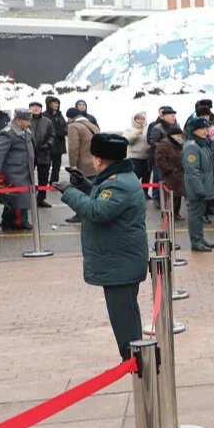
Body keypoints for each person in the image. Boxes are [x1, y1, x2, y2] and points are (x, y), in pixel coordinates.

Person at [53, 134, 147, 360]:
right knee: (127, 315)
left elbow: (98, 211)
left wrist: (70, 192)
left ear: (99, 159)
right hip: (120, 261)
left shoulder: (118, 183)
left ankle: (135, 364)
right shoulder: (119, 177)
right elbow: (103, 200)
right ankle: (137, 359)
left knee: (123, 319)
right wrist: (85, 185)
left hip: (119, 264)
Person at [0, 109, 36, 230]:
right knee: (17, 197)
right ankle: (18, 222)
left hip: (25, 170)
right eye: (27, 121)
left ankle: (12, 221)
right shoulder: (7, 133)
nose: (29, 123)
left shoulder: (25, 131)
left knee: (21, 197)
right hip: (13, 172)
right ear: (18, 120)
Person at [182, 117, 214, 252]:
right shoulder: (192, 147)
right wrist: (199, 189)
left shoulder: (202, 144)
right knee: (195, 215)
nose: (205, 131)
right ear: (194, 130)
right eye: (202, 129)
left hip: (204, 186)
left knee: (199, 215)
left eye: (206, 128)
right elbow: (192, 171)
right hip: (197, 188)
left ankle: (200, 239)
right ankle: (196, 241)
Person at [154, 124, 186, 221]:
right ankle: (169, 214)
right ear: (172, 135)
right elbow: (160, 159)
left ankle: (176, 213)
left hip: (179, 172)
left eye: (181, 136)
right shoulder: (164, 144)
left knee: (178, 194)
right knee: (170, 194)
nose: (180, 138)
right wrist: (167, 169)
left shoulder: (179, 145)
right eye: (178, 136)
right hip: (169, 173)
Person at [28, 102, 55, 208]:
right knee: (28, 177)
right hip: (29, 153)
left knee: (43, 177)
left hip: (44, 153)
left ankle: (41, 199)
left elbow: (52, 135)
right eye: (33, 107)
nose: (35, 109)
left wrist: (48, 144)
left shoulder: (47, 121)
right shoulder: (25, 120)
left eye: (37, 107)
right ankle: (28, 199)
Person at [43, 96, 66, 187]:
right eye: (54, 103)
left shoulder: (59, 114)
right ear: (49, 104)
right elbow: (46, 128)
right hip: (50, 143)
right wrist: (57, 133)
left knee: (57, 165)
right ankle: (44, 182)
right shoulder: (45, 115)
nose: (56, 105)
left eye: (57, 103)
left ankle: (54, 181)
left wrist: (64, 131)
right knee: (46, 165)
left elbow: (64, 125)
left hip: (59, 143)